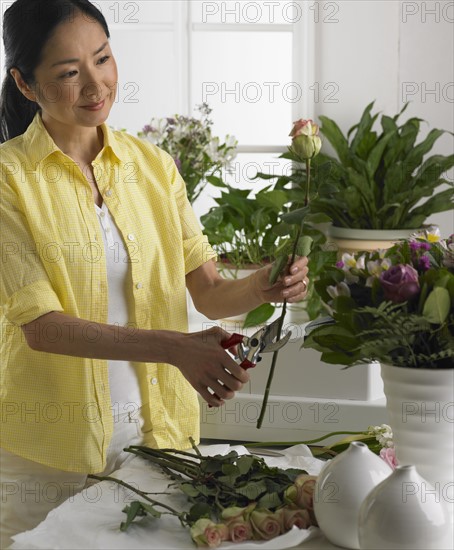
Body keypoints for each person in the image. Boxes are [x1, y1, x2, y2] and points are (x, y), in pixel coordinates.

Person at [0, 0, 309, 546]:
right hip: (49, 459)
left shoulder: (153, 167)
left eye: (103, 58)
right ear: (25, 85)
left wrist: (263, 284)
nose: (96, 85)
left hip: (158, 442)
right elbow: (41, 326)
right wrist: (176, 347)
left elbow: (208, 291)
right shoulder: (10, 180)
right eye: (69, 73)